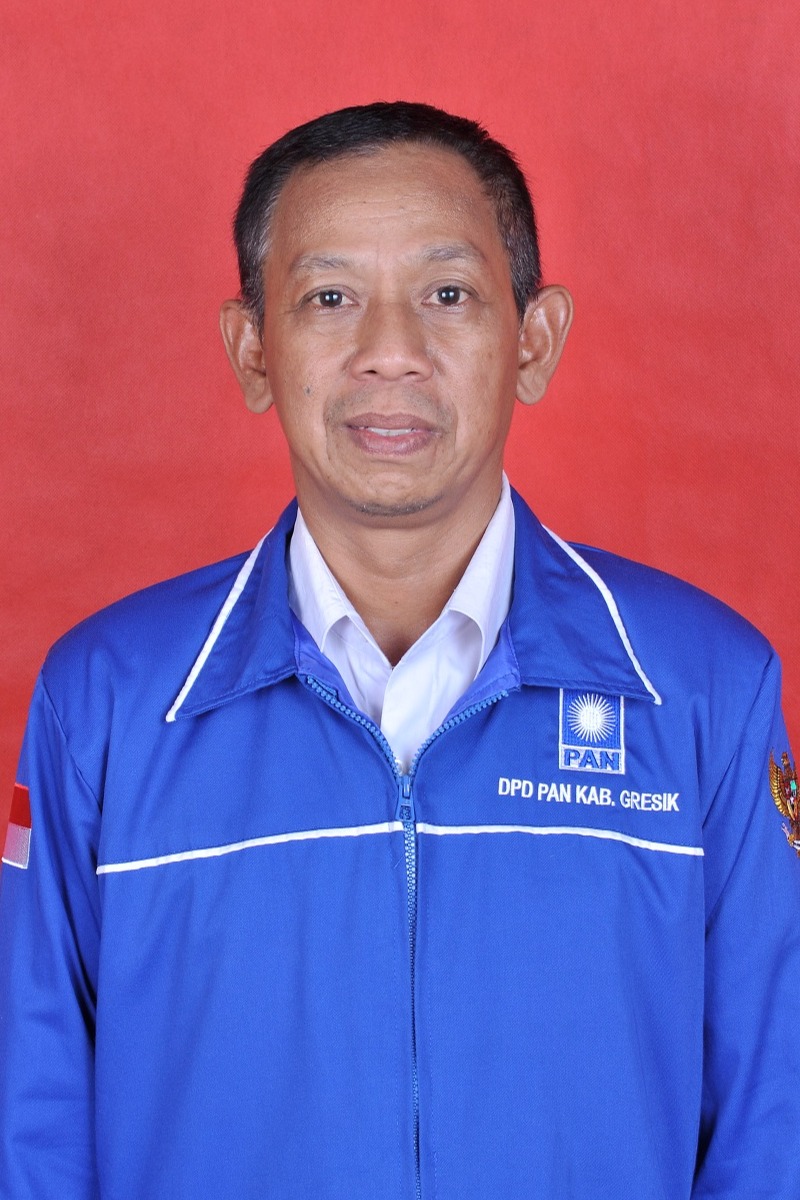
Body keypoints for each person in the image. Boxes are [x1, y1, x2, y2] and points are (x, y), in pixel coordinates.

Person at [0, 101, 797, 1199]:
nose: (390, 352)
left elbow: (775, 1123)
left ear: (533, 340)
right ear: (252, 350)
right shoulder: (105, 701)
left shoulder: (705, 689)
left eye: (447, 294)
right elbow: (29, 1119)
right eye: (328, 298)